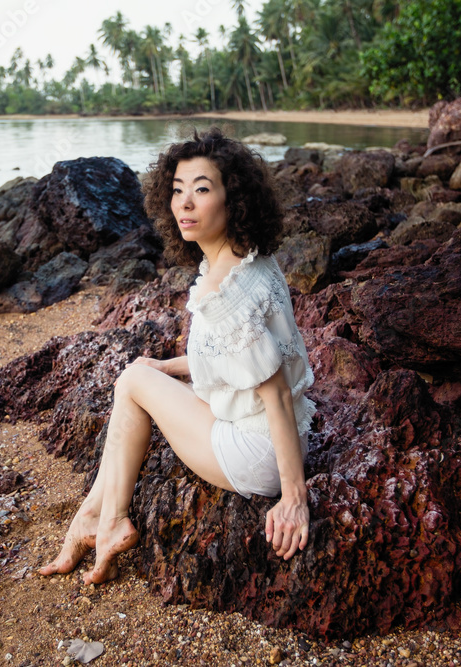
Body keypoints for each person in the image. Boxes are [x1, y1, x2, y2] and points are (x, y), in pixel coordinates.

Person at [39, 127, 315, 585]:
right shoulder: (253, 262)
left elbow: (278, 393)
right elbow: (241, 358)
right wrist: (167, 368)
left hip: (257, 451)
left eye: (202, 190)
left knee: (129, 382)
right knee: (141, 378)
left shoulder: (222, 291)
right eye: (177, 190)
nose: (185, 203)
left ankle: (109, 521)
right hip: (282, 435)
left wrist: (293, 497)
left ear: (234, 199)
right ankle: (93, 516)